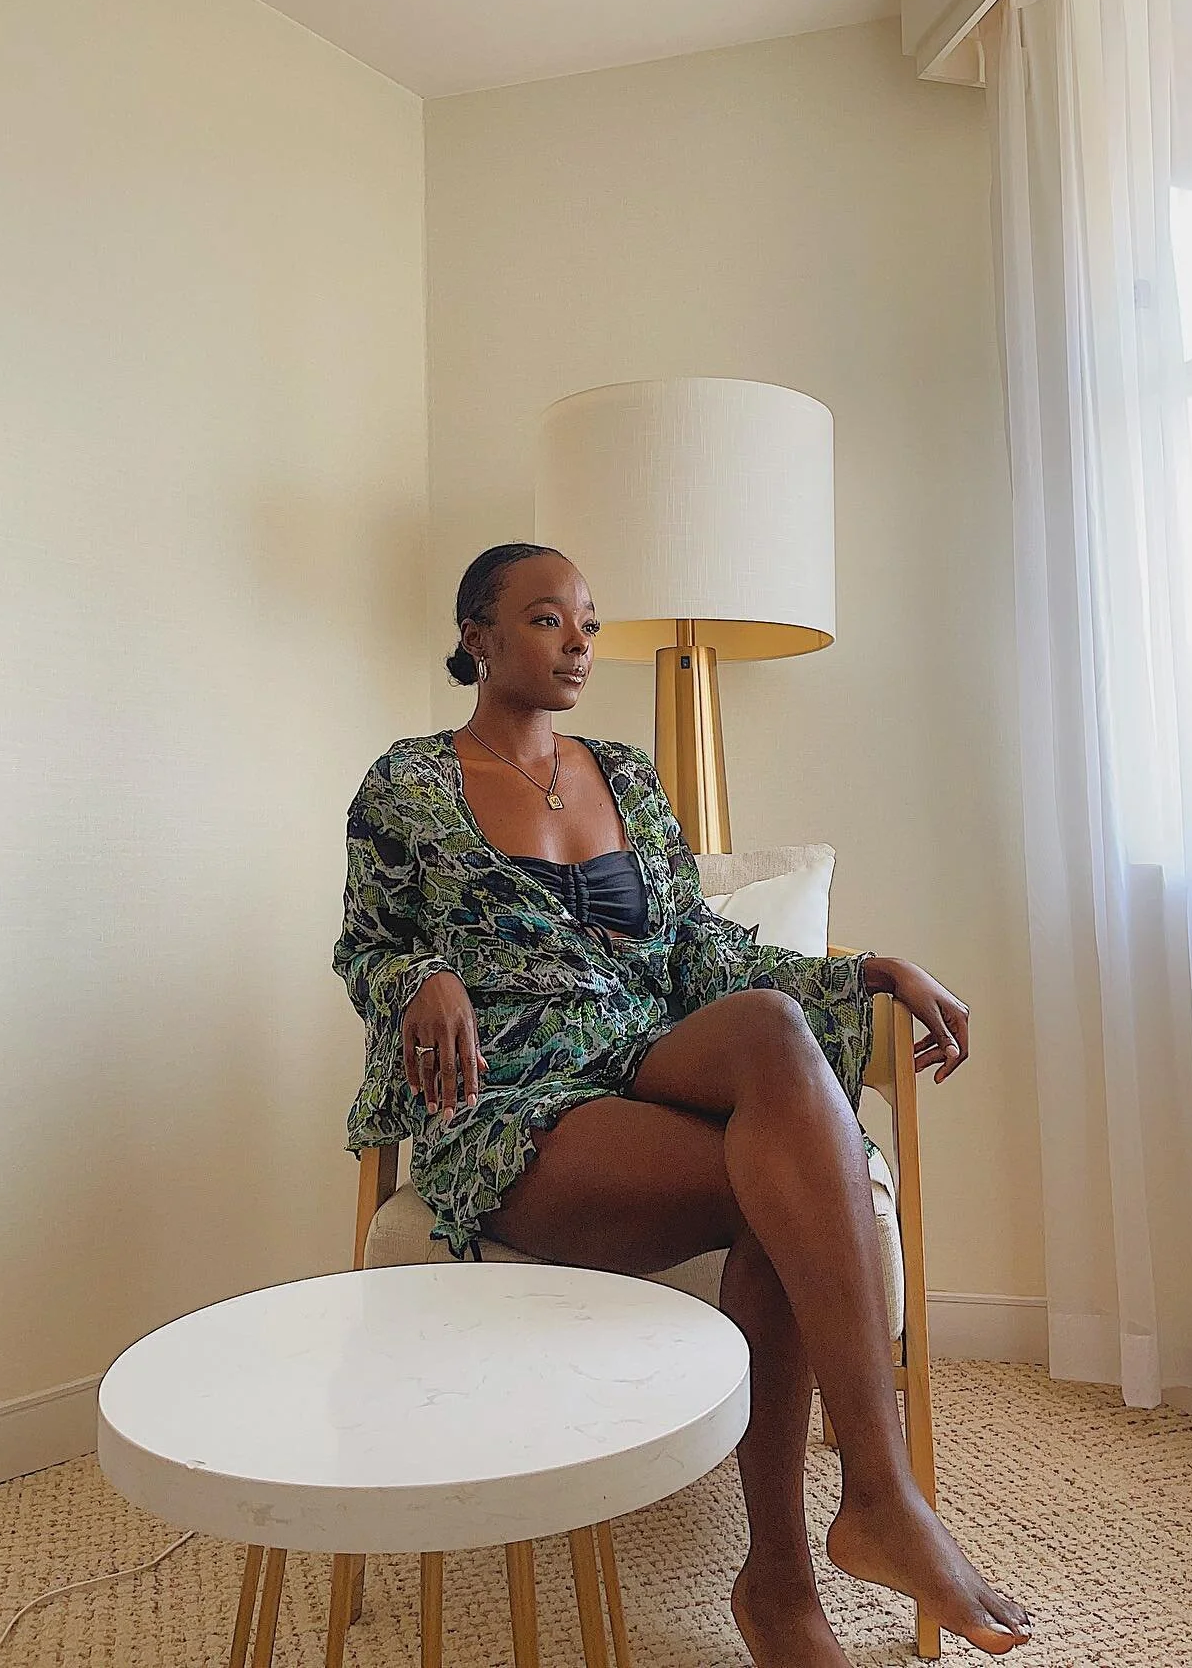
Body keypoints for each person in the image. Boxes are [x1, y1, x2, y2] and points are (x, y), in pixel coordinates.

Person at [334, 541, 1033, 1663]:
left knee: (769, 1024)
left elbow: (699, 948)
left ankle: (867, 1503)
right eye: (547, 618)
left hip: (641, 1048)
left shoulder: (624, 773)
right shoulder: (408, 783)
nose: (579, 642)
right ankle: (791, 1578)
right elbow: (366, 946)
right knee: (786, 1188)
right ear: (478, 637)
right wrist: (421, 974)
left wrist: (869, 969)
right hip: (519, 1101)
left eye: (589, 621)